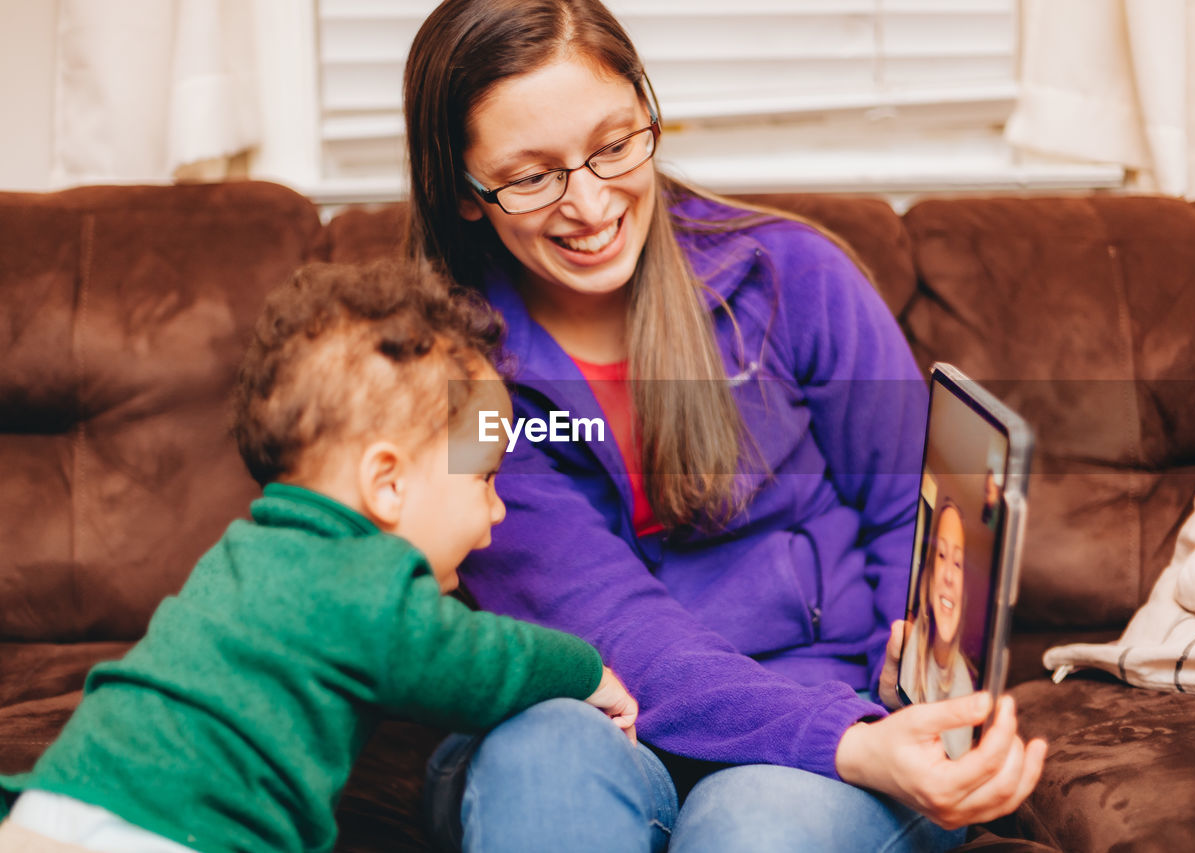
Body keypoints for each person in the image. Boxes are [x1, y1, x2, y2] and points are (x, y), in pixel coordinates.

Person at [403, 1, 1047, 850]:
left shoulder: (791, 276)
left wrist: (913, 692)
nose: (591, 203)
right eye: (531, 176)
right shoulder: (455, 380)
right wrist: (851, 744)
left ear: (648, 111)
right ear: (464, 191)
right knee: (538, 754)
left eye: (614, 144)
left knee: (752, 825)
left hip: (822, 730)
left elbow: (909, 512)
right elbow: (613, 626)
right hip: (598, 712)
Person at [0, 261, 637, 853]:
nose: (498, 510)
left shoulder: (248, 551)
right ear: (388, 484)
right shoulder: (361, 578)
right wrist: (587, 672)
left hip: (58, 800)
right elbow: (479, 661)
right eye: (485, 478)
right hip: (175, 828)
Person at [899, 499, 978, 758]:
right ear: (928, 574)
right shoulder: (907, 641)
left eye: (958, 563)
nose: (948, 576)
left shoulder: (964, 688)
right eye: (942, 556)